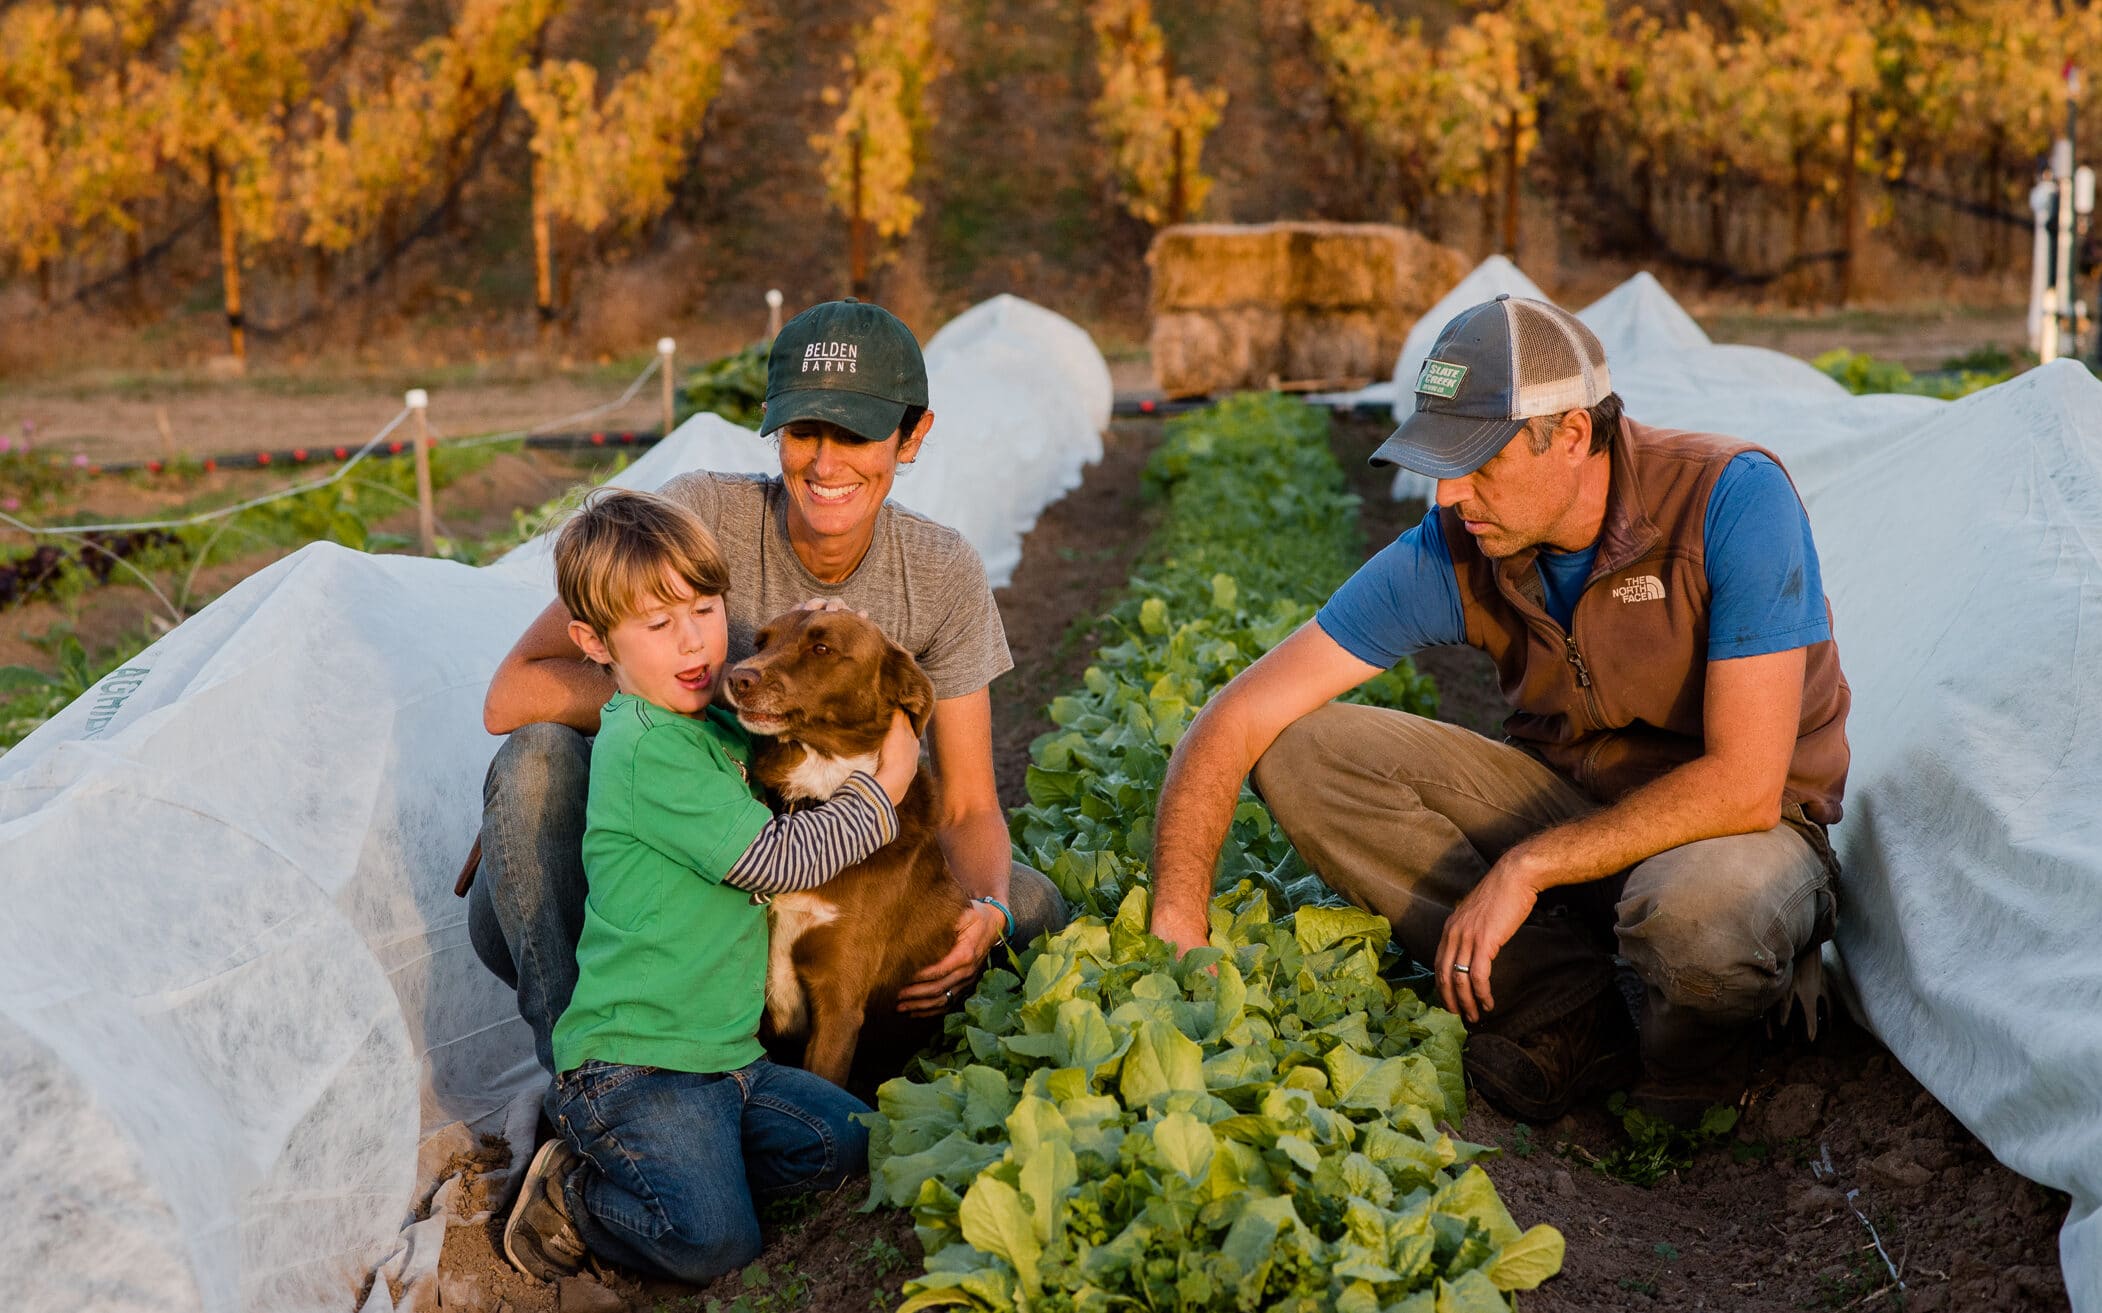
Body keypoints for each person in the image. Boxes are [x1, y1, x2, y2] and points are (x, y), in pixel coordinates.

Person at [1146, 295, 1849, 1125]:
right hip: (1576, 803)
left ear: (1575, 436)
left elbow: (1745, 784)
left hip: (1739, 832)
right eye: (1440, 462)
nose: (1448, 496)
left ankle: (1692, 1069)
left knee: (1697, 921)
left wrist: (1527, 868)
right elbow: (1236, 717)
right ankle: (1568, 1003)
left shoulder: (1729, 501)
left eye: (1478, 463)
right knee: (1301, 749)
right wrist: (1178, 921)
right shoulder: (1458, 544)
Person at [468, 299, 1068, 1081]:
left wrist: (985, 910)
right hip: (686, 853)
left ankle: (832, 1071)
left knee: (1031, 904)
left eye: (855, 433)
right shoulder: (706, 514)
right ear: (774, 430)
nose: (825, 463)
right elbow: (512, 693)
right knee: (538, 758)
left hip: (835, 860)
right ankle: (587, 1085)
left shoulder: (940, 571)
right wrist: (736, 706)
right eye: (803, 432)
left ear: (912, 437)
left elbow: (966, 804)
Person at [501, 488, 922, 1283]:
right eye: (660, 626)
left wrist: (807, 652)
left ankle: (690, 1169)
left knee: (855, 1139)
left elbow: (793, 706)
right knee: (716, 1242)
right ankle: (579, 1192)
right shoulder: (646, 748)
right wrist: (884, 792)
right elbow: (778, 861)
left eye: (705, 608)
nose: (695, 641)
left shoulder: (708, 721)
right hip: (641, 1065)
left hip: (731, 1060)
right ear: (591, 641)